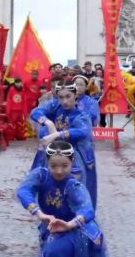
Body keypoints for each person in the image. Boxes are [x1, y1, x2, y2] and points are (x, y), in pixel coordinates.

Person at [16, 140, 124, 257]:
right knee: (51, 253)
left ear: (72, 163)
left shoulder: (73, 185)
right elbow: (23, 191)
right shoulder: (41, 176)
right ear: (47, 162)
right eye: (54, 166)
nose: (59, 171)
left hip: (78, 229)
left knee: (58, 254)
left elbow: (87, 210)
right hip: (52, 226)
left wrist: (69, 225)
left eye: (64, 166)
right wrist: (39, 213)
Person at [30, 81, 97, 209]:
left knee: (74, 190)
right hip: (53, 155)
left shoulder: (81, 114)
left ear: (75, 95)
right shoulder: (55, 107)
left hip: (72, 156)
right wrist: (48, 122)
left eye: (68, 96)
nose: (64, 101)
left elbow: (83, 131)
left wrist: (57, 134)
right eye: (61, 97)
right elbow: (35, 112)